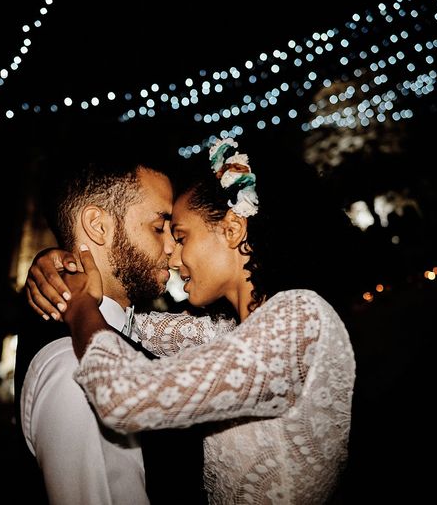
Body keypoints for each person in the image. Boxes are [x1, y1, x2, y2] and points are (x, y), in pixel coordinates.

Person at [29, 138, 356, 504]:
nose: (171, 255)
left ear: (232, 230)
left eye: (181, 236)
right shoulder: (224, 333)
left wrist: (79, 307)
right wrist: (56, 263)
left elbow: (124, 395)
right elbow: (128, 327)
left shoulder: (301, 322)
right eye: (162, 230)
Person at [17, 148, 211, 504]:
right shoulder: (75, 367)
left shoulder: (125, 335)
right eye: (158, 227)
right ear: (98, 226)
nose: (172, 246)